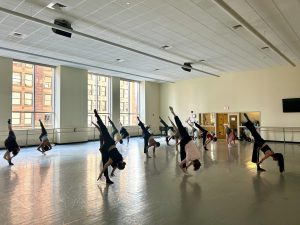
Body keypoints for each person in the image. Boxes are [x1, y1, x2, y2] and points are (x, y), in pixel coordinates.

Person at [94, 109, 126, 183]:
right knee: (105, 162)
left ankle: (97, 117)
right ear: (118, 165)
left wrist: (112, 172)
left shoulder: (121, 159)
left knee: (104, 129)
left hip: (111, 143)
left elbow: (115, 166)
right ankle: (107, 178)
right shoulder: (113, 160)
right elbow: (106, 166)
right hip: (107, 147)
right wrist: (100, 174)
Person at [169, 106, 201, 173]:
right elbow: (180, 165)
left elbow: (192, 162)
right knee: (183, 156)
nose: (191, 164)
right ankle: (173, 113)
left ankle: (173, 113)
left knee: (180, 126)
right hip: (185, 142)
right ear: (194, 163)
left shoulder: (198, 157)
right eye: (193, 165)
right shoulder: (189, 158)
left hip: (188, 140)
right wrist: (183, 167)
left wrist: (186, 166)